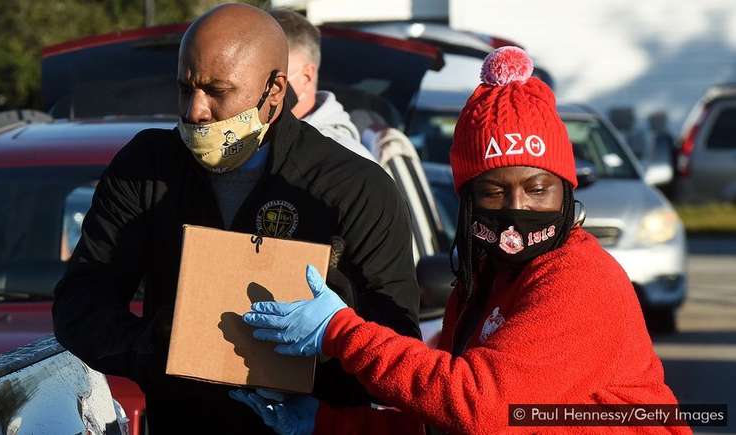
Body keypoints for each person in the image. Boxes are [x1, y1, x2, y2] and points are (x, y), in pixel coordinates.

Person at [232, 47, 689, 434]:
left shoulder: (578, 279)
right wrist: (325, 423)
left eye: (537, 189)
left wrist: (339, 331)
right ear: (468, 200)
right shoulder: (484, 280)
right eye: (493, 191)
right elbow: (440, 417)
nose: (518, 209)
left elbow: (483, 408)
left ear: (565, 193)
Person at [52, 4, 421, 433]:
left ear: (275, 90)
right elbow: (79, 306)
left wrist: (320, 348)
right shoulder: (146, 168)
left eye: (216, 90)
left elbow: (398, 348)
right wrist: (159, 345)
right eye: (185, 88)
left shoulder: (352, 188)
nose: (195, 110)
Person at [269, 8, 376, 162]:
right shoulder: (251, 140)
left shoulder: (344, 159)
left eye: (272, 75)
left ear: (306, 76)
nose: (260, 85)